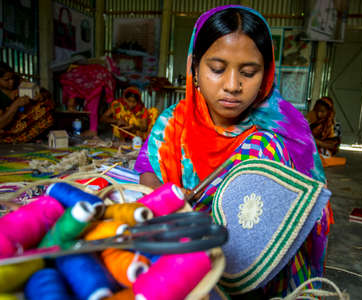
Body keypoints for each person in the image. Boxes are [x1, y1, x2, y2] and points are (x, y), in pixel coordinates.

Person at [134, 5, 332, 298]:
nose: (232, 86)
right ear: (195, 68)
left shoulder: (284, 128)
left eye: (249, 72)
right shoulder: (175, 122)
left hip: (261, 252)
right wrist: (171, 199)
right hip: (189, 241)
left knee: (264, 146)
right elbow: (148, 172)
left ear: (265, 74)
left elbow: (310, 204)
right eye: (216, 69)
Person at [0, 62, 54, 144]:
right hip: (5, 127)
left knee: (45, 103)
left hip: (22, 121)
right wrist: (15, 105)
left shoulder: (18, 82)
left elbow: (46, 92)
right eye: (6, 80)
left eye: (12, 78)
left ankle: (35, 135)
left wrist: (40, 95)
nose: (11, 82)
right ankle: (20, 137)